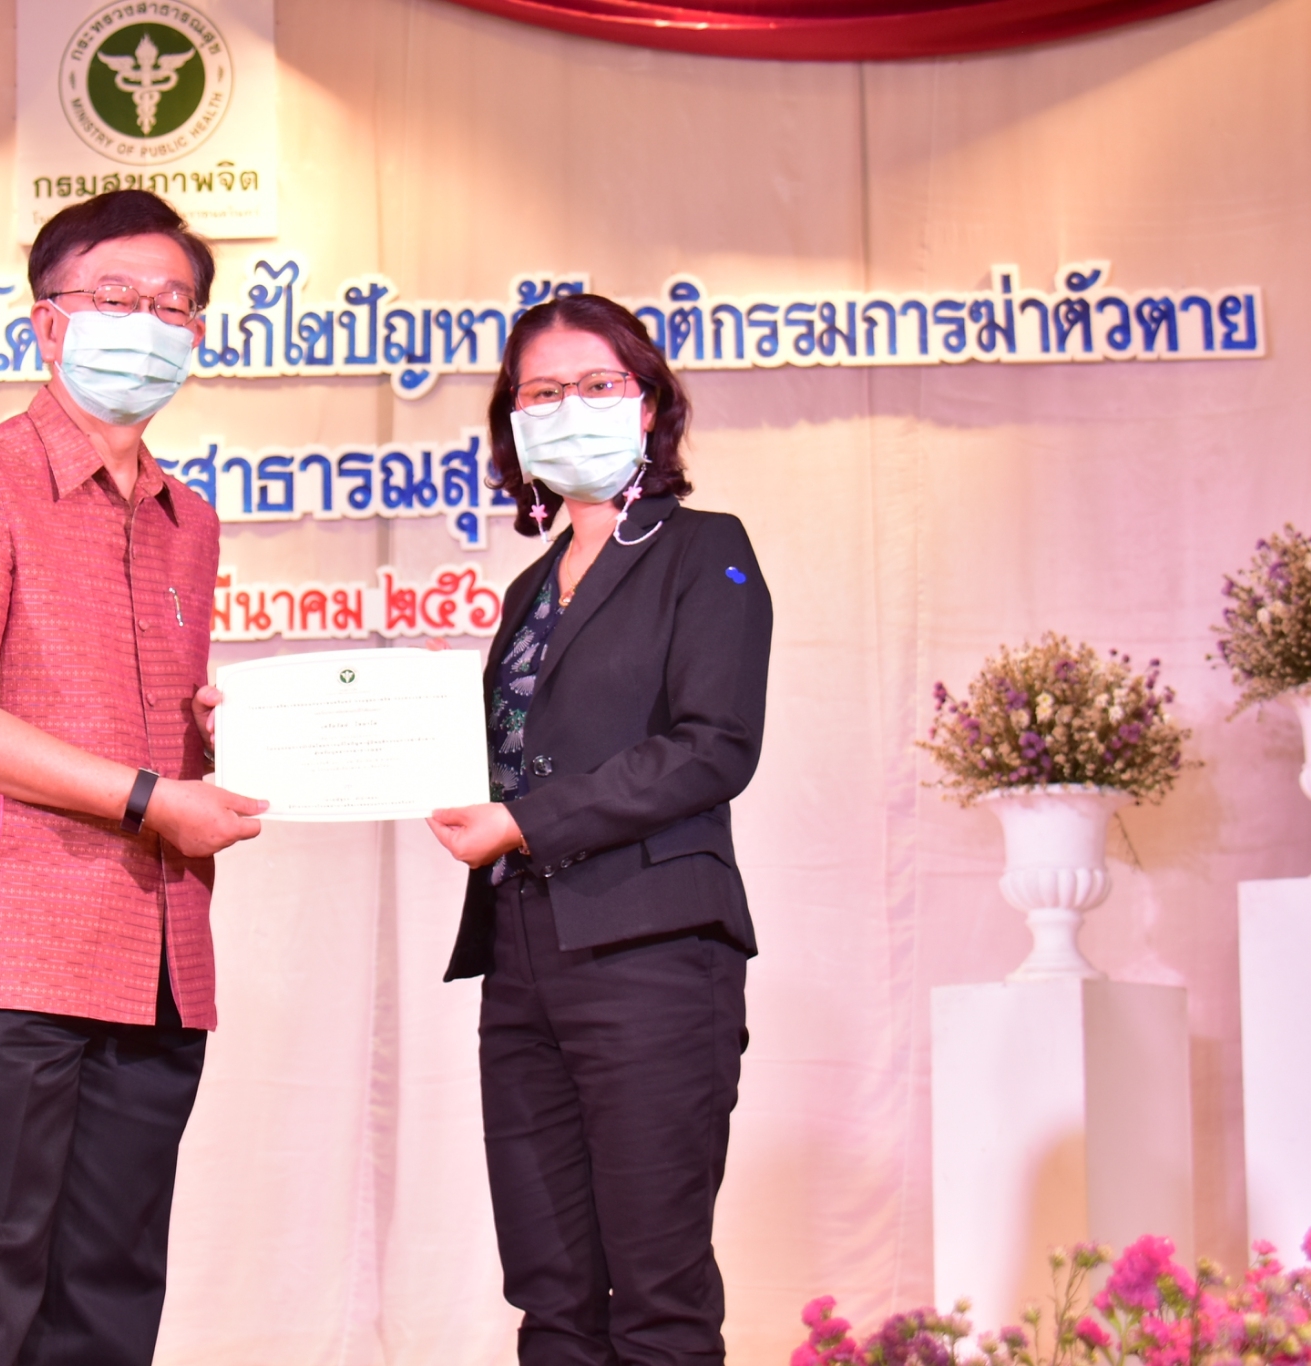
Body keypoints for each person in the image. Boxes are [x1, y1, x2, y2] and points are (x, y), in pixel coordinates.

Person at [0, 189, 267, 1366]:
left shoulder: (190, 519)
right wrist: (150, 799)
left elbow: (130, 724)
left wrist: (213, 739)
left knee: (107, 1303)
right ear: (46, 322)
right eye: (113, 297)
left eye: (171, 305)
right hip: (4, 959)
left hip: (156, 963)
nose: (145, 323)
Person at [427, 293, 773, 1366]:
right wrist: (257, 733)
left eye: (595, 385)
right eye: (540, 392)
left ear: (648, 404)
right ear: (512, 420)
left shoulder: (705, 550)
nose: (566, 407)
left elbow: (713, 746)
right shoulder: (529, 591)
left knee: (657, 1291)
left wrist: (524, 820)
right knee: (551, 1292)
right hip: (521, 956)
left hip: (651, 949)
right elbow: (504, 756)